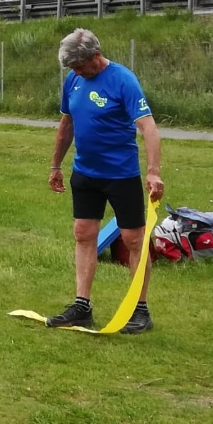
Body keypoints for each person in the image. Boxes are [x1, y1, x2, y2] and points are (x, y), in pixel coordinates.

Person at [48, 28, 164, 333]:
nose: (75, 72)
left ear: (95, 56)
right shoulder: (73, 80)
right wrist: (56, 164)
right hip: (85, 173)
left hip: (121, 175)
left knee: (133, 240)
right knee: (83, 234)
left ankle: (140, 310)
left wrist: (153, 171)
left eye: (79, 66)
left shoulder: (123, 80)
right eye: (72, 68)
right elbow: (67, 124)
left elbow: (148, 127)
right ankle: (81, 307)